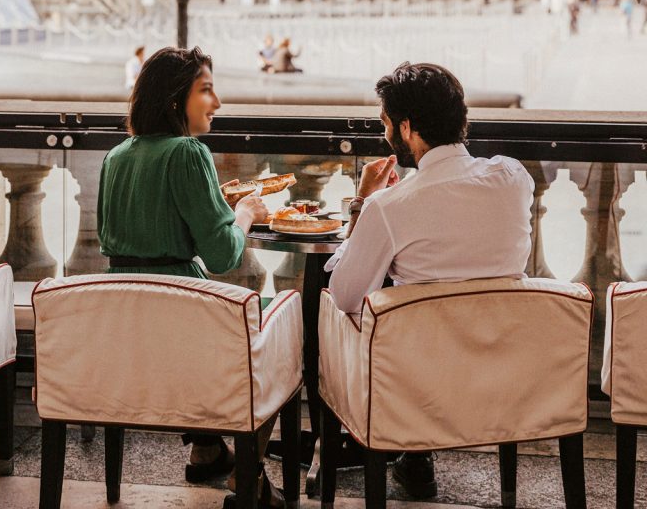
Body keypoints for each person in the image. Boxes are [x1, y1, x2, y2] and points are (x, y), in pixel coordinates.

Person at [326, 62, 534, 500]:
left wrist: (363, 204)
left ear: (406, 128)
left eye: (385, 124)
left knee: (351, 307)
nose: (384, 135)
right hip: (507, 371)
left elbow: (345, 294)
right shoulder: (514, 178)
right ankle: (415, 459)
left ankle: (390, 445)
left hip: (418, 382)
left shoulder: (390, 206)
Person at [97, 47, 282, 507]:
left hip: (128, 327)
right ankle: (248, 476)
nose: (216, 102)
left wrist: (212, 201)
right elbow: (222, 254)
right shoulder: (188, 152)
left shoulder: (115, 157)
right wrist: (244, 213)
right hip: (183, 319)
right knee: (272, 332)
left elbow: (133, 231)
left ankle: (205, 449)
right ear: (176, 99)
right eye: (206, 90)